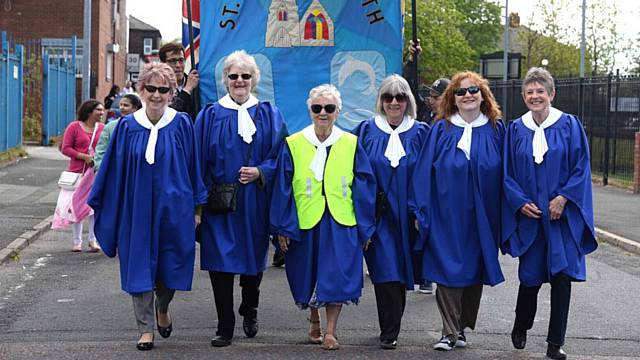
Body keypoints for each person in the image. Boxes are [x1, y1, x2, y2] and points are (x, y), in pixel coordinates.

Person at [88, 63, 208, 351]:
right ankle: (145, 329)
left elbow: (193, 167)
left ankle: (162, 307)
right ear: (140, 90)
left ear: (171, 92)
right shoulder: (127, 127)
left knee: (172, 264)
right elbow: (113, 171)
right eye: (150, 88)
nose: (156, 95)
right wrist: (107, 204)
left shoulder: (181, 124)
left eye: (163, 89)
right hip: (136, 209)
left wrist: (196, 209)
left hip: (174, 209)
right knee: (138, 264)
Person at [271, 84, 376, 351]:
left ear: (338, 112)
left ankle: (330, 331)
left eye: (329, 108)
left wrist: (364, 227)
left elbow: (365, 185)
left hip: (341, 219)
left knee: (336, 274)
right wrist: (282, 225)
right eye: (317, 108)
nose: (323, 113)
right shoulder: (293, 144)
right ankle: (314, 318)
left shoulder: (351, 143)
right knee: (306, 272)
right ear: (310, 111)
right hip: (305, 219)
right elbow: (282, 187)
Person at [502, 68, 597, 360]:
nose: (535, 96)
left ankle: (555, 343)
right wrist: (518, 202)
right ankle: (521, 324)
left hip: (561, 217)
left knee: (562, 277)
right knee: (530, 276)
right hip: (531, 215)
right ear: (524, 96)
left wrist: (565, 198)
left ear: (551, 94)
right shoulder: (515, 129)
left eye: (540, 91)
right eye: (529, 92)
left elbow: (581, 166)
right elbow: (507, 173)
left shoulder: (569, 125)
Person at [195, 50, 287, 348]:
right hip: (219, 202)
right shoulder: (209, 115)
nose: (239, 81)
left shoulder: (269, 113)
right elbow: (196, 161)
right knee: (220, 263)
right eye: (233, 76)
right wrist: (198, 204)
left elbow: (281, 157)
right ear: (225, 80)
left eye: (245, 76)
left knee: (252, 263)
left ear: (254, 79)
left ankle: (250, 308)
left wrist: (261, 171)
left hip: (254, 202)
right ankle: (225, 324)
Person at [410, 71, 505, 351]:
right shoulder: (441, 130)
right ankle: (448, 332)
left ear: (483, 95)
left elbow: (509, 173)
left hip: (483, 216)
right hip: (445, 214)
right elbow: (423, 172)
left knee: (474, 271)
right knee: (448, 270)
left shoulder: (496, 129)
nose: (467, 96)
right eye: (461, 92)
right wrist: (420, 209)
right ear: (452, 97)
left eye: (473, 90)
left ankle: (461, 327)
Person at [352, 75, 428, 349]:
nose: (394, 102)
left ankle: (391, 325)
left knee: (402, 272)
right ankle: (390, 330)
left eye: (400, 97)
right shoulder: (365, 131)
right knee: (385, 270)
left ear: (408, 101)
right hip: (378, 214)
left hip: (408, 215)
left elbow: (428, 174)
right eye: (388, 97)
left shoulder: (420, 132)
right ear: (380, 101)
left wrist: (422, 211)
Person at [53, 99, 105, 252]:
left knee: (94, 208)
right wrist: (83, 156)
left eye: (102, 110)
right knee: (77, 207)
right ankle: (77, 241)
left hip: (96, 174)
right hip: (77, 173)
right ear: (89, 111)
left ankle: (92, 240)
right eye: (99, 110)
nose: (102, 113)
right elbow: (65, 148)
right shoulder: (74, 127)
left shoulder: (102, 128)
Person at [94, 94, 143, 171]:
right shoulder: (110, 127)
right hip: (113, 171)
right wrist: (100, 169)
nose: (122, 107)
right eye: (120, 105)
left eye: (126, 105)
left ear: (135, 108)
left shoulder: (143, 127)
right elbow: (100, 151)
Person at [159, 42, 199, 121]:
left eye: (181, 60)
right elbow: (171, 115)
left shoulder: (196, 83)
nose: (178, 65)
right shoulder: (157, 87)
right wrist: (187, 90)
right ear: (163, 64)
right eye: (172, 61)